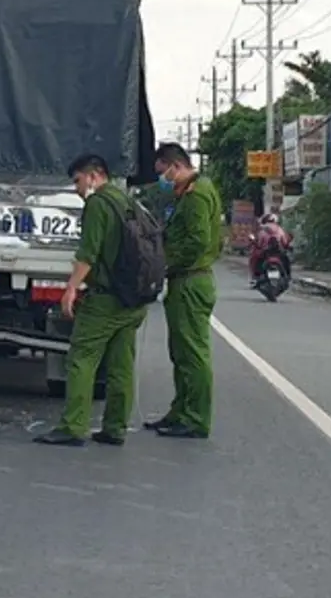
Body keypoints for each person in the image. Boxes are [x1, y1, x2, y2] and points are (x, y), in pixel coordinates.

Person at [34, 153, 149, 447]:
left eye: (78, 181)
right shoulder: (127, 201)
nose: (77, 189)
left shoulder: (98, 203)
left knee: (81, 359)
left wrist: (71, 287)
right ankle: (115, 427)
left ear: (94, 175)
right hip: (133, 297)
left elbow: (88, 253)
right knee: (121, 364)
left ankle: (73, 427)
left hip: (106, 299)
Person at [149, 142, 223, 439]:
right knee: (179, 352)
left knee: (192, 353)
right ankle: (180, 410)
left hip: (191, 279)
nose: (162, 180)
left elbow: (197, 241)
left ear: (175, 166)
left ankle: (196, 417)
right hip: (185, 280)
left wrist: (165, 265)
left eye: (162, 173)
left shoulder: (197, 195)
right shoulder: (188, 193)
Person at [248, 212, 292, 288]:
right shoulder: (279, 229)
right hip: (278, 253)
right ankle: (288, 277)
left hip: (266, 252)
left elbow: (259, 243)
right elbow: (285, 243)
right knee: (287, 260)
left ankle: (255, 277)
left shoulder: (262, 230)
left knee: (255, 259)